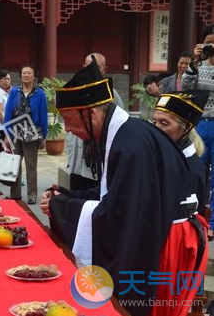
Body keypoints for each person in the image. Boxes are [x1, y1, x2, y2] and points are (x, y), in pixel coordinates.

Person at [39, 57, 192, 316]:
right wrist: (65, 195)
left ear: (92, 113)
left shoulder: (130, 146)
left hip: (166, 242)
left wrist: (63, 207)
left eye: (68, 118)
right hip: (157, 228)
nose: (66, 128)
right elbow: (111, 192)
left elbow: (121, 217)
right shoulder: (120, 134)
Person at [151, 90, 209, 316]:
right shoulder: (167, 156)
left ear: (185, 128)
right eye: (154, 121)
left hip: (177, 243)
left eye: (164, 123)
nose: (156, 128)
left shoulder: (190, 167)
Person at [66, 53, 123, 190]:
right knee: (76, 192)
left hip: (96, 156)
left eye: (96, 67)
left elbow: (119, 124)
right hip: (76, 154)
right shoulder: (75, 90)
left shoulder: (111, 94)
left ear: (104, 70)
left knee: (93, 193)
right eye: (88, 66)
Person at [183, 24, 214, 240]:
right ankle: (194, 215)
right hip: (201, 124)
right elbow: (186, 87)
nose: (212, 45)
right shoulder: (198, 66)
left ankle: (212, 223)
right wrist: (195, 62)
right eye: (209, 41)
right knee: (195, 171)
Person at [4, 65, 48, 205]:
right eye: (24, 73)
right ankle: (15, 194)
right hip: (15, 131)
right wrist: (7, 134)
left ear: (34, 76)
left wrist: (43, 137)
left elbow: (43, 116)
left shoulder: (40, 94)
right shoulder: (14, 92)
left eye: (29, 73)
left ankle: (32, 194)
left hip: (32, 132)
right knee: (14, 164)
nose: (26, 75)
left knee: (31, 165)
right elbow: (8, 113)